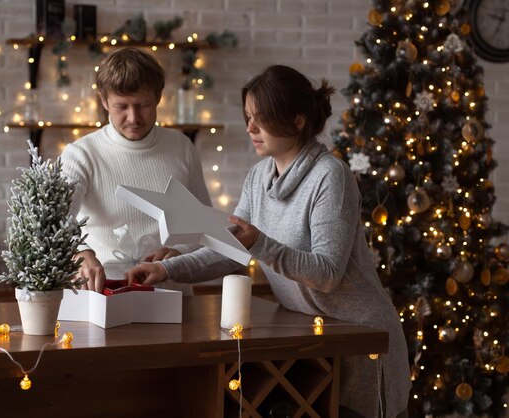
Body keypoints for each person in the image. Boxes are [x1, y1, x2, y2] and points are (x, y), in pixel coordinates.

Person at [126, 65, 411, 418]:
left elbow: (327, 273)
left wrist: (260, 243)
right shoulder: (259, 176)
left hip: (361, 338)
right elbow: (231, 249)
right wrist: (164, 269)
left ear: (297, 121)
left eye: (261, 119)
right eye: (248, 117)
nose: (250, 129)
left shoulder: (331, 177)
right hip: (314, 338)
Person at [60, 47, 211, 293]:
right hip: (103, 292)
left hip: (171, 290)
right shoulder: (81, 154)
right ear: (104, 100)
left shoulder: (182, 147)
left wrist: (180, 252)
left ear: (159, 97)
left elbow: (203, 223)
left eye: (143, 105)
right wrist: (81, 252)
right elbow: (57, 219)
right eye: (122, 106)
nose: (134, 118)